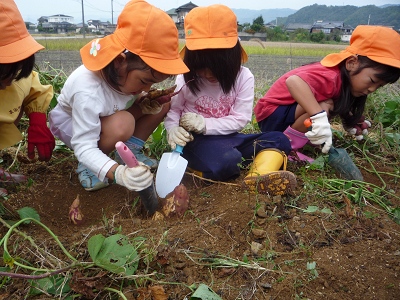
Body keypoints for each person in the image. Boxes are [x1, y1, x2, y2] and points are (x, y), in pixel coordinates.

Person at [48, 0, 189, 194]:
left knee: (161, 104)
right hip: (74, 124)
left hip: (108, 115)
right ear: (118, 62)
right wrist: (118, 173)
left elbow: (126, 96)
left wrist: (144, 100)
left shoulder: (124, 77)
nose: (146, 88)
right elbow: (84, 145)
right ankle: (90, 166)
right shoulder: (87, 91)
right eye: (144, 81)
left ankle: (129, 152)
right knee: (122, 124)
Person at [164, 4, 297, 196]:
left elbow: (240, 119)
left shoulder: (244, 77)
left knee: (279, 139)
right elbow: (174, 110)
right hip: (195, 141)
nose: (209, 73)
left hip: (230, 138)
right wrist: (172, 129)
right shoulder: (184, 78)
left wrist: (204, 123)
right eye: (202, 67)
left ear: (232, 58)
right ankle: (201, 168)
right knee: (226, 161)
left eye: (217, 66)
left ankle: (257, 176)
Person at [254, 25, 400, 161]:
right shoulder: (331, 75)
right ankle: (288, 148)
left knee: (327, 105)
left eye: (379, 86)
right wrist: (319, 118)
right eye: (373, 81)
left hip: (283, 115)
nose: (372, 89)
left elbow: (341, 101)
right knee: (325, 105)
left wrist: (352, 120)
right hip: (271, 115)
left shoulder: (342, 80)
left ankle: (303, 138)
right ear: (352, 63)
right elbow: (293, 81)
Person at [0, 0, 55, 197]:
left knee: (13, 98)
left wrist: (38, 121)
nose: (7, 83)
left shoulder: (12, 78)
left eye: (11, 74)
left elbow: (32, 84)